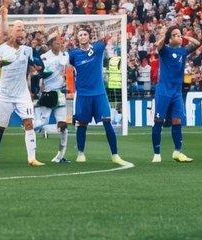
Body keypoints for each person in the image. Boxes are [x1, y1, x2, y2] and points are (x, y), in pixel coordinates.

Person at [0, 0, 43, 167]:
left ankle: (31, 158)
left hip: (22, 94)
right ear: (13, 32)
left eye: (24, 30)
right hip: (4, 94)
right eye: (19, 29)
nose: (22, 32)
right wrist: (4, 14)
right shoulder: (1, 48)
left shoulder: (28, 50)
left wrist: (37, 67)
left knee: (29, 123)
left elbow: (38, 64)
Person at [67, 25, 133, 167]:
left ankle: (115, 155)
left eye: (85, 34)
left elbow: (109, 37)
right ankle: (80, 153)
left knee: (107, 121)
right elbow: (70, 70)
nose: (83, 36)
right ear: (77, 38)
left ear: (89, 36)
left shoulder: (97, 48)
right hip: (83, 94)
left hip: (99, 92)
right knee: (82, 124)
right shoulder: (73, 54)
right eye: (80, 34)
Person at [151, 23, 202, 163]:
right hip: (163, 91)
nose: (178, 37)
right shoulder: (165, 50)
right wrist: (166, 37)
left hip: (176, 92)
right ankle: (157, 154)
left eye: (179, 34)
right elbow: (159, 46)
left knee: (177, 120)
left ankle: (177, 152)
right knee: (159, 121)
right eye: (175, 35)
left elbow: (197, 43)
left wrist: (184, 36)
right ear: (169, 38)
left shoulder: (183, 51)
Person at [37, 32, 71, 163]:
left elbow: (69, 69)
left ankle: (60, 156)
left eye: (60, 42)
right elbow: (41, 74)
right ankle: (30, 142)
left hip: (60, 93)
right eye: (57, 43)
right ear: (50, 45)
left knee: (63, 125)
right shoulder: (44, 57)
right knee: (40, 123)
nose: (60, 44)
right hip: (48, 93)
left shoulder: (65, 55)